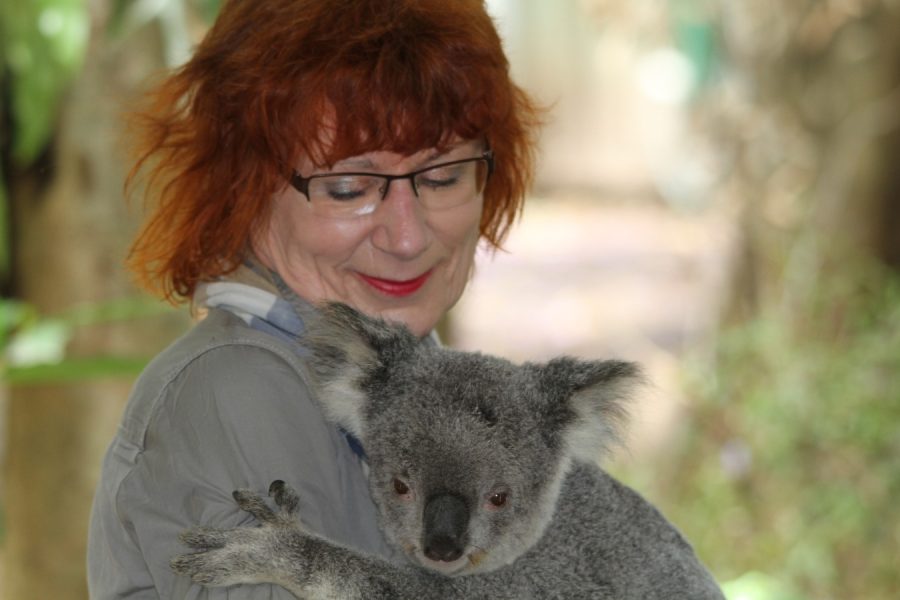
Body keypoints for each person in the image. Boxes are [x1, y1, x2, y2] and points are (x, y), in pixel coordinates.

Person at [86, 0, 540, 597]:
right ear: (242, 192)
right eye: (348, 188)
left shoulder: (401, 380)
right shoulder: (241, 391)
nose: (407, 237)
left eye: (443, 176)